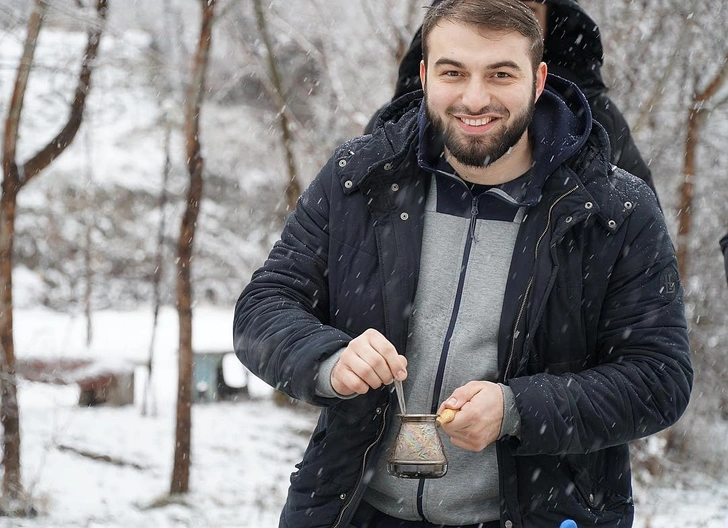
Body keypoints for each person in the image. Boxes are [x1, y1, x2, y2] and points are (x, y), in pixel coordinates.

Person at [233, 1, 692, 526]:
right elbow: (262, 308)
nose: (475, 98)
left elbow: (660, 378)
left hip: (538, 514)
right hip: (351, 510)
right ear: (425, 75)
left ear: (539, 79)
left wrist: (518, 409)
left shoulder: (615, 209)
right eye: (454, 72)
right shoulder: (358, 177)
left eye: (500, 73)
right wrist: (327, 360)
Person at [364, 0, 659, 204]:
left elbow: (639, 248)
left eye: (525, 9)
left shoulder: (596, 121)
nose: (476, 100)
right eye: (453, 73)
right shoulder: (396, 124)